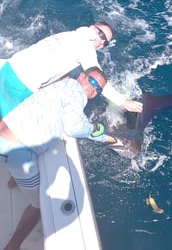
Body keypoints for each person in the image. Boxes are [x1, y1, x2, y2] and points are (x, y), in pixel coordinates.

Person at [1, 66, 117, 250]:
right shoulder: (77, 93)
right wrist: (96, 128)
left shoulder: (61, 85)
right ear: (81, 76)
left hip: (4, 133)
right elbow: (74, 127)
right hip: (17, 152)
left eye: (98, 89)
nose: (93, 89)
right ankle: (13, 245)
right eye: (92, 81)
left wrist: (104, 137)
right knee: (39, 205)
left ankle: (13, 181)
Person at [0, 21, 142, 119]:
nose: (101, 41)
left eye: (105, 42)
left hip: (7, 69)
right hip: (20, 86)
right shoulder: (85, 47)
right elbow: (97, 79)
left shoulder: (71, 34)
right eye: (101, 34)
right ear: (92, 28)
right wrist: (123, 102)